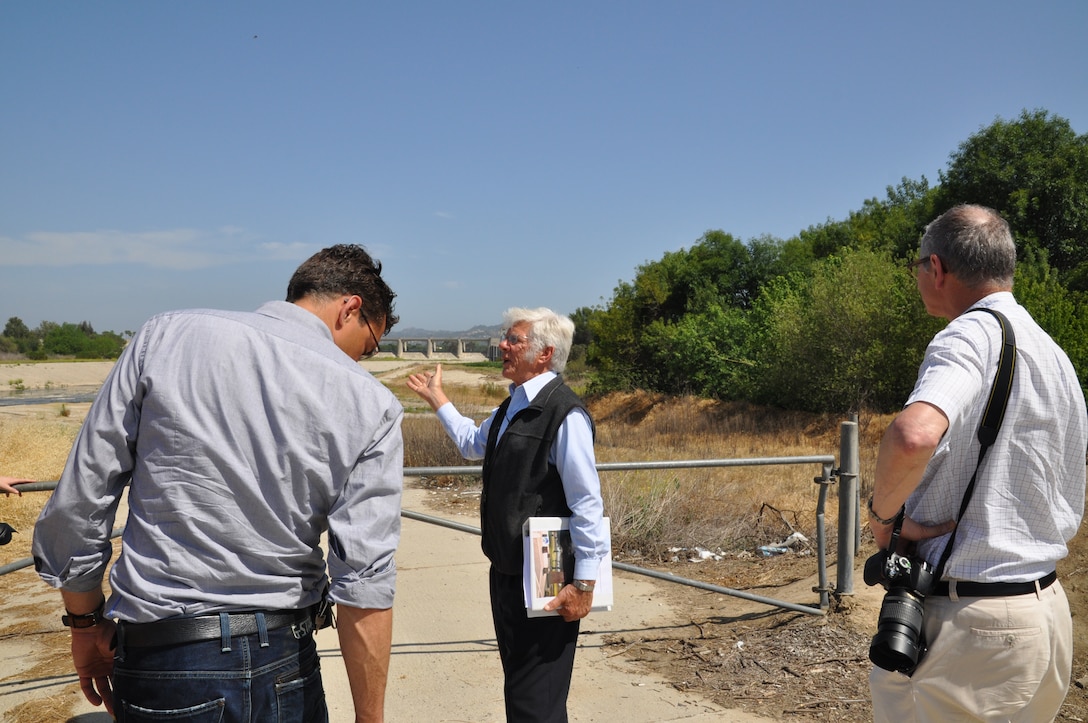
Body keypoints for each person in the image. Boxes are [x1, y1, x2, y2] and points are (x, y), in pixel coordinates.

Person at [33, 244, 404, 722]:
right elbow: (365, 581)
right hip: (285, 664)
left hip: (163, 657)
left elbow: (82, 500)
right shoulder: (371, 403)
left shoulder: (163, 337)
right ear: (349, 308)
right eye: (369, 344)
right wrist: (369, 717)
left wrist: (84, 623)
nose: (363, 360)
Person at [867, 205, 1087, 721]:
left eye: (918, 266)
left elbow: (913, 434)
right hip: (1045, 617)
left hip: (972, 628)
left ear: (936, 268)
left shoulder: (968, 336)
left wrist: (884, 522)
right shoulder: (1054, 355)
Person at [406, 306, 609, 723]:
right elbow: (471, 443)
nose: (502, 345)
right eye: (506, 337)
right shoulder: (512, 405)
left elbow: (587, 502)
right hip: (507, 570)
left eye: (513, 340)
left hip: (547, 565)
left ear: (544, 354)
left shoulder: (565, 414)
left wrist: (584, 583)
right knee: (521, 686)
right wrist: (437, 399)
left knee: (537, 694)